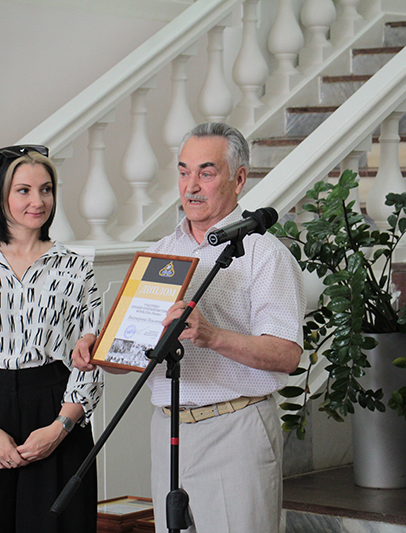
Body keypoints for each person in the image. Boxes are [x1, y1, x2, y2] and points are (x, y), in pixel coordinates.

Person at [75, 123, 305, 533]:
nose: (191, 186)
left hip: (235, 426)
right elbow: (130, 349)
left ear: (238, 178)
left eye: (206, 172)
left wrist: (212, 336)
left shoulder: (264, 254)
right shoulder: (160, 254)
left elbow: (287, 355)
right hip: (168, 429)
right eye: (183, 172)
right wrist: (98, 350)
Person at [0, 144, 103, 533]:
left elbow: (91, 359)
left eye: (46, 190)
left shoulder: (75, 268)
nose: (38, 201)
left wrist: (60, 428)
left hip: (56, 410)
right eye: (24, 190)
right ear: (0, 195)